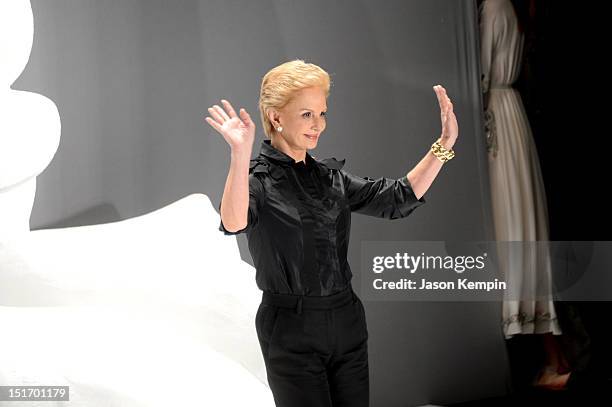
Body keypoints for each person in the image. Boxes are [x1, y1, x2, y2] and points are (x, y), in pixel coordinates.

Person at [205, 59, 457, 407]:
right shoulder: (257, 181)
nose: (318, 125)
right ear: (276, 117)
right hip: (291, 329)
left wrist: (443, 144)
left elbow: (398, 198)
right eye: (307, 114)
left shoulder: (330, 178)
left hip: (347, 320)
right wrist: (238, 153)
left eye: (322, 114)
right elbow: (233, 222)